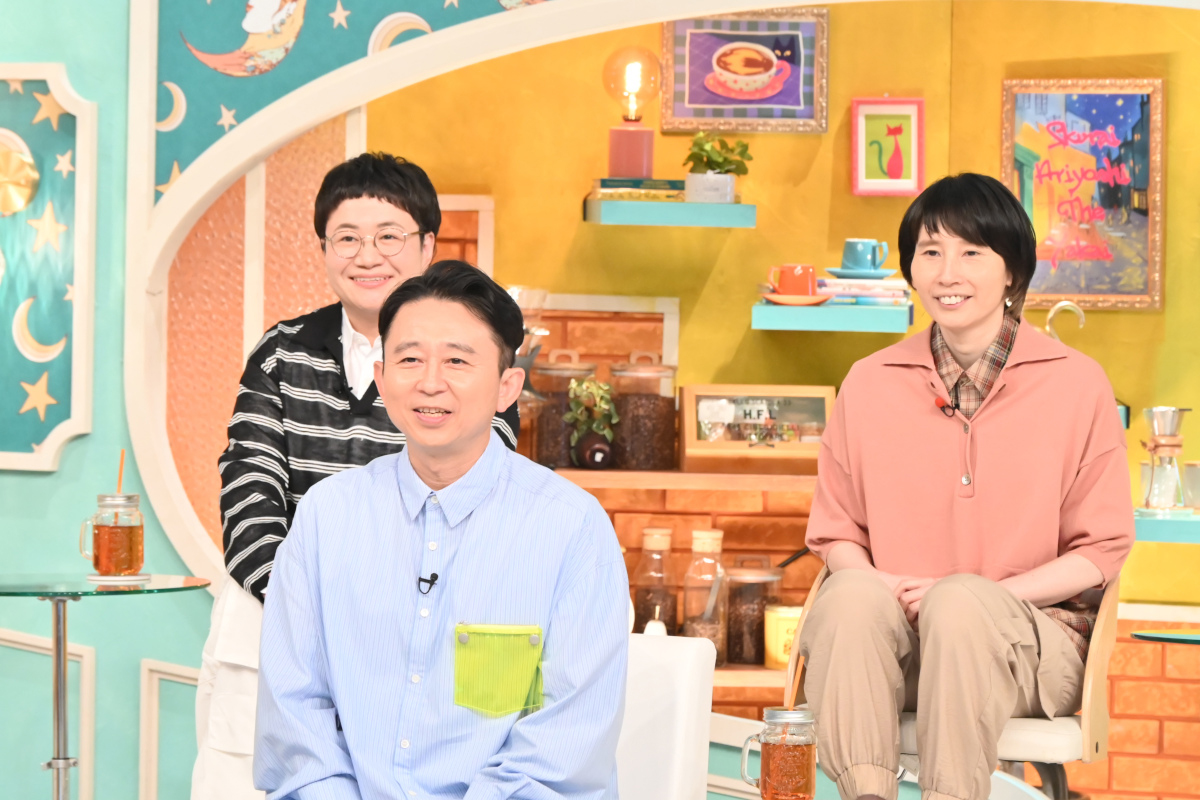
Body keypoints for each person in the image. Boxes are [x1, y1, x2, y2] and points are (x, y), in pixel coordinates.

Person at [192, 154, 520, 800]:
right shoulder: (281, 353)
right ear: (323, 249)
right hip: (270, 633)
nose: (368, 256)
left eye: (389, 236)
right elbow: (249, 505)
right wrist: (320, 617)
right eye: (347, 238)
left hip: (414, 645)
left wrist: (380, 624)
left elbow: (474, 501)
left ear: (427, 245)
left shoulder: (472, 359)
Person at [798, 173, 1135, 800]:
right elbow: (837, 533)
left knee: (958, 604)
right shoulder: (868, 383)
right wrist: (881, 587)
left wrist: (979, 598)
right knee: (847, 596)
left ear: (1012, 272)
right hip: (901, 645)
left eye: (972, 252)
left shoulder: (1077, 383)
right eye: (931, 252)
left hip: (1032, 646)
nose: (947, 273)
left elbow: (1101, 551)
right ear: (911, 268)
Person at [254, 261, 629, 800]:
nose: (430, 382)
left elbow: (565, 743)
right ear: (382, 378)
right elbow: (295, 716)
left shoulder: (571, 527)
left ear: (507, 387)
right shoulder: (325, 517)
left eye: (457, 360)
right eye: (410, 359)